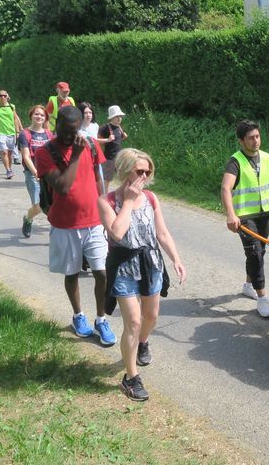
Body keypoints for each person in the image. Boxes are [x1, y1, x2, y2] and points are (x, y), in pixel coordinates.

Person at [98, 148, 186, 401]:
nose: (144, 176)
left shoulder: (151, 198)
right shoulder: (107, 201)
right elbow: (116, 233)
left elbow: (162, 233)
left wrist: (176, 259)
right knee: (133, 322)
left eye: (148, 172)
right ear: (125, 170)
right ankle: (130, 378)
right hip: (124, 267)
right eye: (139, 171)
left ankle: (143, 342)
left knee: (151, 316)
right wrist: (127, 200)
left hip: (151, 263)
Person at [35, 105, 116, 347]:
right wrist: (77, 154)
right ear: (56, 124)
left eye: (74, 131)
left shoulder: (90, 144)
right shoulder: (44, 151)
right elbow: (61, 186)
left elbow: (100, 179)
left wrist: (106, 211)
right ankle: (78, 315)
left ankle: (101, 319)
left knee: (102, 272)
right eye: (65, 131)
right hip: (65, 224)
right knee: (72, 273)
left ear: (80, 125)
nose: (70, 136)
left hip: (93, 221)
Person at [220, 119, 269, 318]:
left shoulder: (267, 158)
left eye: (257, 136)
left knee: (259, 252)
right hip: (245, 217)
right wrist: (231, 215)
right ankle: (262, 298)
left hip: (264, 213)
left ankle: (249, 284)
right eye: (250, 138)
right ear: (242, 141)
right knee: (255, 253)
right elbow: (226, 188)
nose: (255, 141)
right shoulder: (235, 161)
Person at [18, 105, 54, 238]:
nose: (39, 117)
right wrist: (36, 173)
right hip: (33, 174)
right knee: (38, 206)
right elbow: (26, 156)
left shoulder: (49, 134)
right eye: (36, 114)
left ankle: (56, 230)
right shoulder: (24, 134)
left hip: (49, 174)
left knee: (52, 203)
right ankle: (28, 219)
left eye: (42, 115)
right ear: (31, 116)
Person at [98, 105, 127, 192]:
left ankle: (120, 194)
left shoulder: (119, 127)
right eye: (117, 116)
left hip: (118, 157)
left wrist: (124, 136)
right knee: (107, 179)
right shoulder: (105, 127)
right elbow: (95, 140)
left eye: (120, 116)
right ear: (111, 117)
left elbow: (118, 139)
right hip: (109, 158)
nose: (119, 118)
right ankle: (105, 197)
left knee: (123, 176)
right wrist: (107, 139)